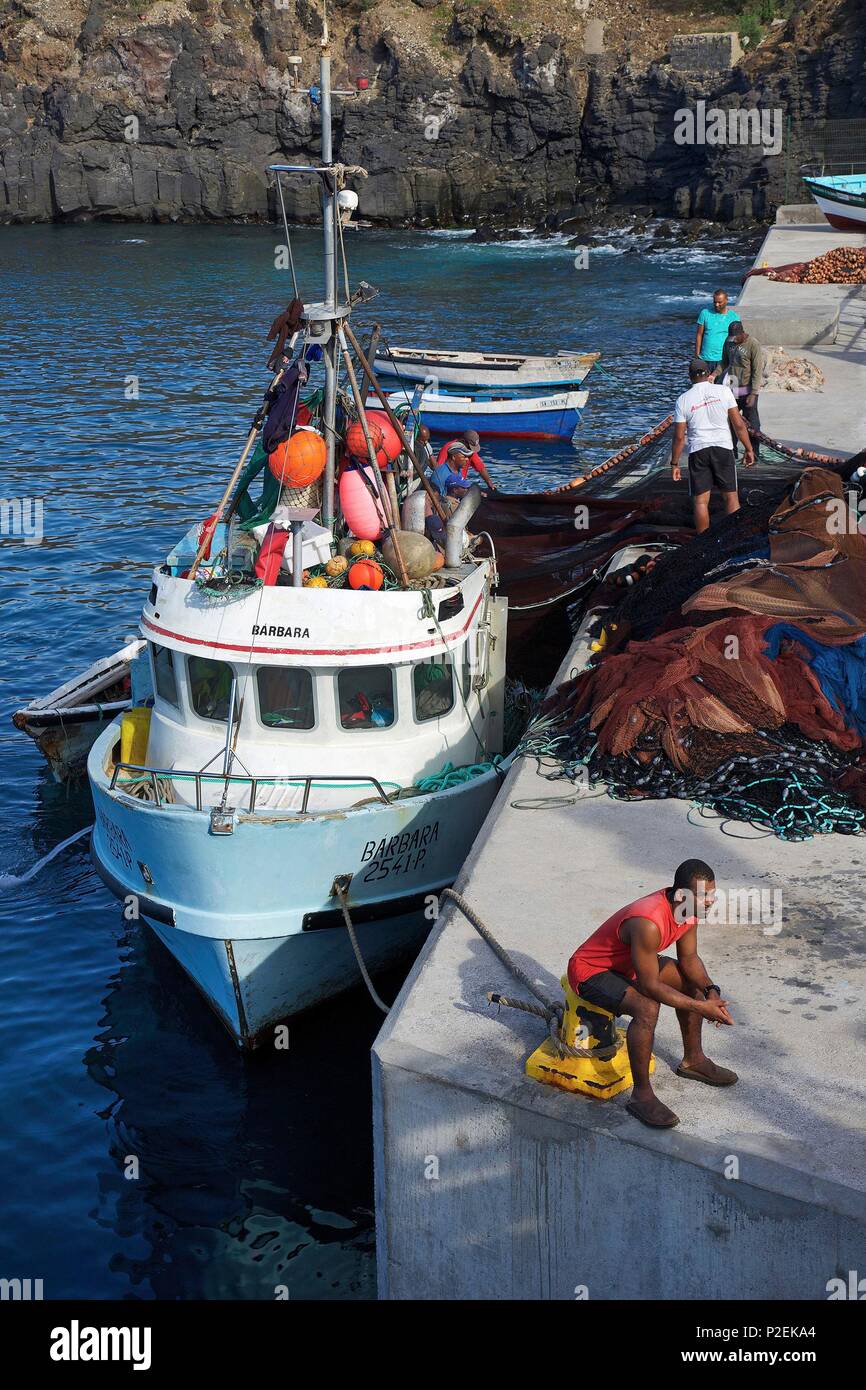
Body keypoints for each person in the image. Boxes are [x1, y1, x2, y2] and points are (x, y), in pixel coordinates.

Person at [567, 859, 737, 1130]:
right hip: (592, 971)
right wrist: (700, 1008)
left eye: (712, 895)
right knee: (647, 1007)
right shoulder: (648, 922)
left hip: (629, 964)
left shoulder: (687, 909)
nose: (710, 902)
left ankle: (694, 1060)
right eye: (705, 896)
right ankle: (641, 1096)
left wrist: (710, 992)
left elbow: (690, 958)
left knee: (688, 980)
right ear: (682, 895)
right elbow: (649, 987)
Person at [671, 358, 755, 534]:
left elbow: (679, 437)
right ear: (709, 374)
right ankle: (736, 537)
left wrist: (675, 464)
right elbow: (738, 425)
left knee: (701, 502)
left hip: (698, 451)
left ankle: (702, 544)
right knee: (731, 497)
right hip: (723, 449)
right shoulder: (723, 391)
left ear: (690, 377)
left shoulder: (683, 400)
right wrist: (749, 449)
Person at [721, 320, 764, 460]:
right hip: (732, 388)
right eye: (731, 338)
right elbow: (724, 363)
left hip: (748, 390)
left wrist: (754, 393)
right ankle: (731, 453)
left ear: (742, 333)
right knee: (731, 422)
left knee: (752, 423)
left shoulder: (753, 344)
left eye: (735, 338)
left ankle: (754, 453)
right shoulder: (728, 343)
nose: (733, 341)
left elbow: (757, 370)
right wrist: (714, 375)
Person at [695, 288, 740, 380]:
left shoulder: (733, 317)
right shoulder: (705, 313)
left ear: (726, 301)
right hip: (705, 358)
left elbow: (737, 339)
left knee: (720, 387)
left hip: (722, 359)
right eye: (715, 302)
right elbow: (699, 334)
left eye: (720, 302)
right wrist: (697, 354)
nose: (717, 305)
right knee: (704, 387)